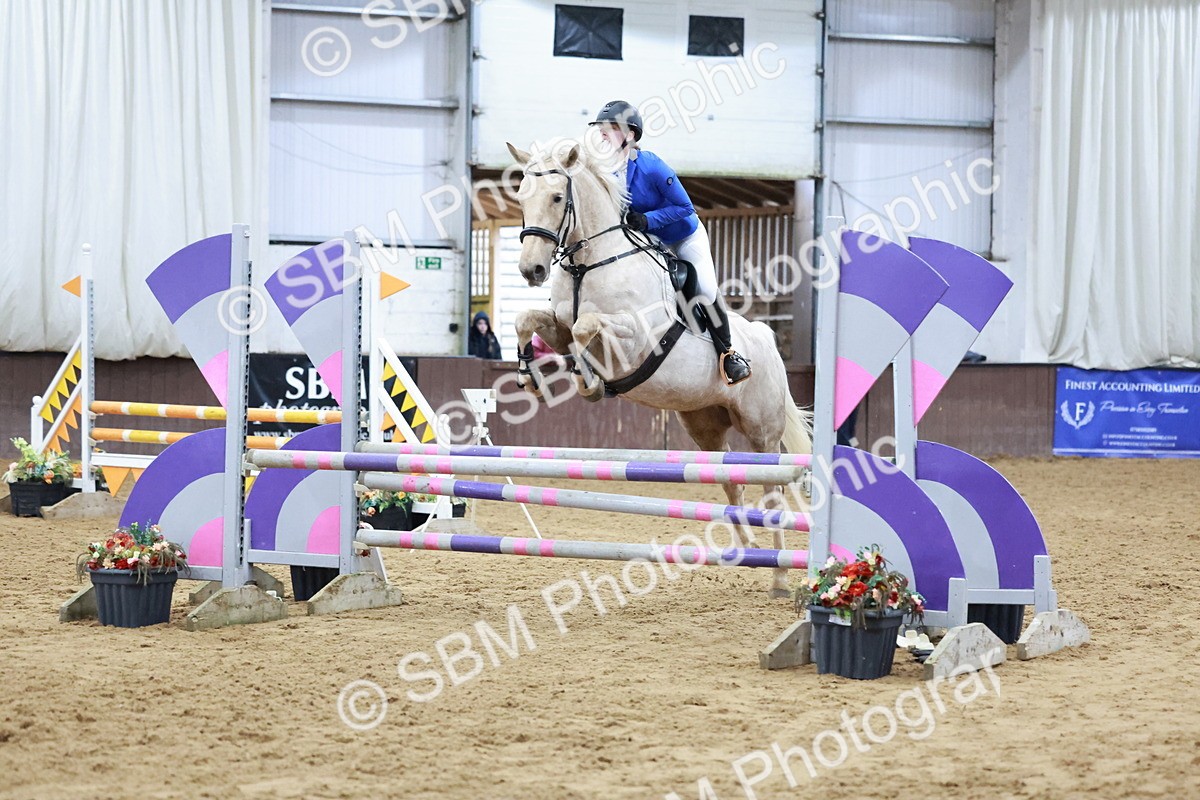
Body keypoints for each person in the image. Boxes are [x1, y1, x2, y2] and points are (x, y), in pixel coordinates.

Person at [588, 100, 752, 385]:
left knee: (704, 287)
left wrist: (648, 221)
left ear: (629, 135)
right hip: (649, 240)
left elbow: (685, 207)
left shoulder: (651, 166)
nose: (602, 135)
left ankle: (728, 354)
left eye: (610, 129)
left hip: (683, 235)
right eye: (601, 130)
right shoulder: (606, 171)